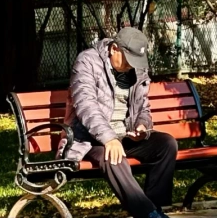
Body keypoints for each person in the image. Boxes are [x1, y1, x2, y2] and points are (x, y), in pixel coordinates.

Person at [60, 26, 177, 218]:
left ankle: (155, 208)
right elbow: (85, 105)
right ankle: (148, 214)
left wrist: (142, 126)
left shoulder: (137, 69)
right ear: (114, 48)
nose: (131, 65)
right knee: (113, 156)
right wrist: (109, 139)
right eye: (128, 60)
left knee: (166, 144)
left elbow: (143, 106)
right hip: (88, 138)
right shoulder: (87, 62)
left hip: (124, 135)